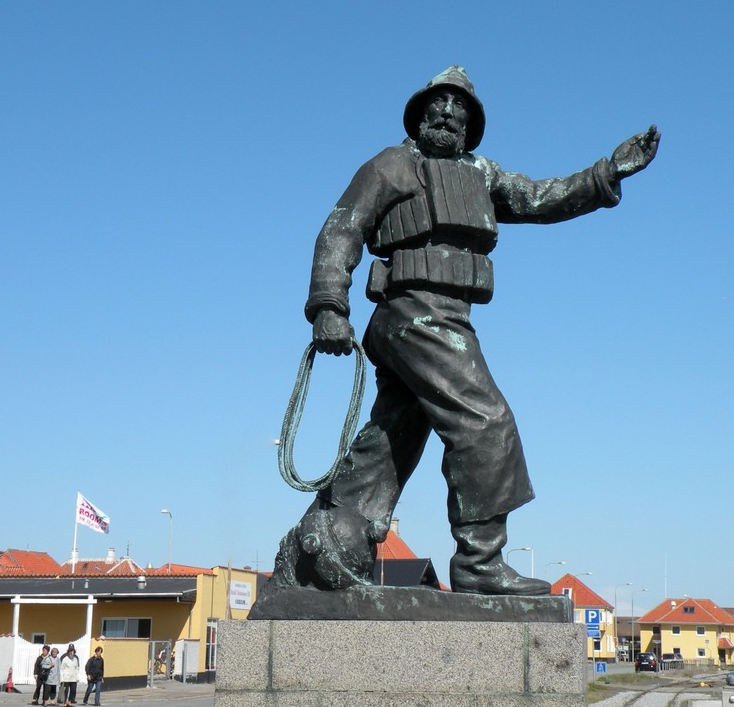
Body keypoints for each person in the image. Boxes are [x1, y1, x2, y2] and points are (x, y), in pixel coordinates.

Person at [270, 65, 659, 596]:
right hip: (411, 313)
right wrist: (328, 305)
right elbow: (342, 228)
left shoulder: (483, 174)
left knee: (393, 437)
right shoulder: (391, 164)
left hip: (450, 317)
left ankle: (330, 539)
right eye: (439, 105)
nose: (448, 114)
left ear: (471, 124)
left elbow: (541, 197)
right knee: (485, 422)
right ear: (421, 114)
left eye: (460, 109)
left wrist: (605, 173)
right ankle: (479, 561)